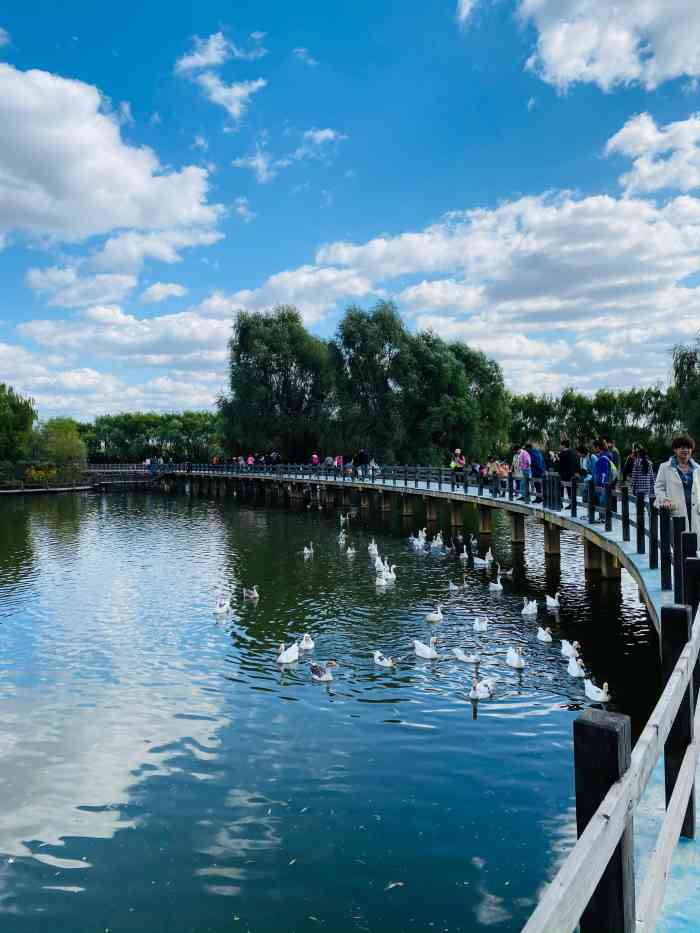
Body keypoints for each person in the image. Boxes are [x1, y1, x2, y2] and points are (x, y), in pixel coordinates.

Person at [654, 435, 700, 531]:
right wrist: (664, 499)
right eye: (682, 447)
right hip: (676, 511)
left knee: (695, 542)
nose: (686, 450)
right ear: (675, 449)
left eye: (688, 448)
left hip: (696, 512)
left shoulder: (697, 468)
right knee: (678, 542)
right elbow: (659, 488)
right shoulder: (665, 467)